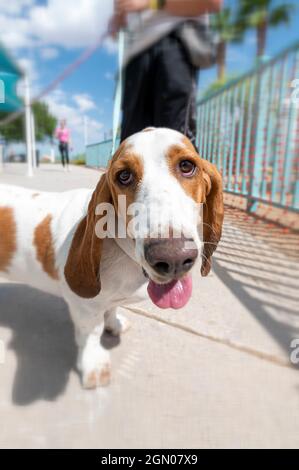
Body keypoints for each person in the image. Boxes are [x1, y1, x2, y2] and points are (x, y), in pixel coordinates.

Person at [110, 0, 222, 146]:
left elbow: (212, 3)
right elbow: (116, 29)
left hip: (174, 42)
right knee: (130, 147)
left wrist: (150, 3)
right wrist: (119, 18)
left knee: (174, 146)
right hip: (134, 58)